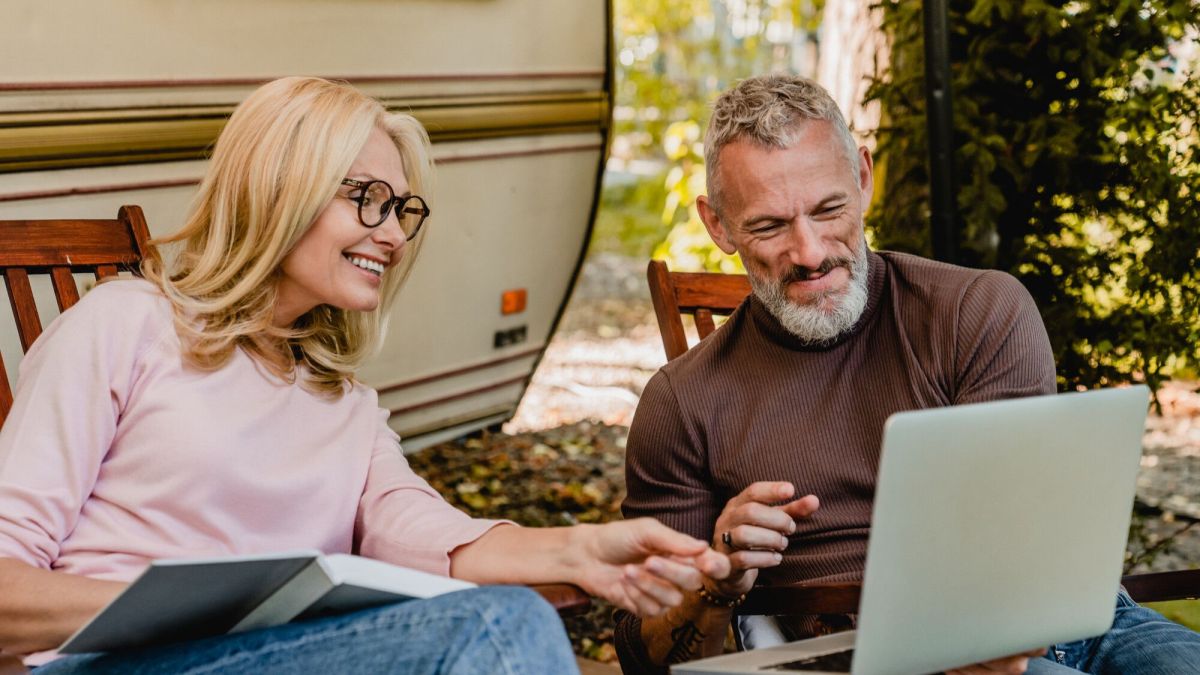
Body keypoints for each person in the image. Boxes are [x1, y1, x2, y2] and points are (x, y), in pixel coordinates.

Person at [0, 76, 731, 674]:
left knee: (513, 618)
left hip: (268, 658)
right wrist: (186, 604)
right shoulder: (124, 325)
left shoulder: (340, 401)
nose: (391, 232)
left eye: (402, 208)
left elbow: (430, 534)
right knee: (494, 628)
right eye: (367, 198)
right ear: (279, 189)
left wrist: (586, 547)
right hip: (111, 662)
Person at [614, 74, 1200, 674]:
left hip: (1066, 617)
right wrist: (719, 580)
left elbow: (1020, 536)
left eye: (829, 209)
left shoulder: (977, 311)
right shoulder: (682, 402)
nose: (811, 252)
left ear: (863, 178)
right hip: (861, 652)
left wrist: (986, 630)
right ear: (719, 227)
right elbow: (643, 652)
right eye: (769, 226)